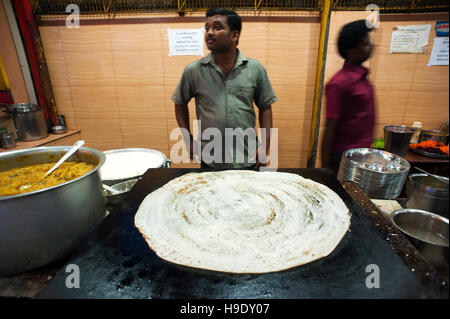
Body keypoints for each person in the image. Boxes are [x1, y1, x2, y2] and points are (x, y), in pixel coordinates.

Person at [172, 7, 277, 169]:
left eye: (217, 27)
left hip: (248, 157)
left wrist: (265, 146)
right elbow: (179, 103)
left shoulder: (255, 69)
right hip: (211, 159)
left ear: (234, 35)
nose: (209, 32)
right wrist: (187, 139)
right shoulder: (193, 71)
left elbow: (265, 108)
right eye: (207, 28)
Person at [321, 19, 375, 175]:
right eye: (365, 44)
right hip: (344, 158)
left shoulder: (362, 78)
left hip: (362, 154)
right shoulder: (339, 83)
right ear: (352, 51)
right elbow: (329, 127)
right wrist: (325, 169)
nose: (371, 47)